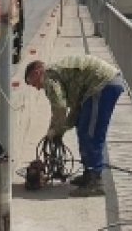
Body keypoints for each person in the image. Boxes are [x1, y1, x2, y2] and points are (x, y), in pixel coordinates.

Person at [24, 55, 124, 197]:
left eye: (32, 83)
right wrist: (60, 130)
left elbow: (59, 107)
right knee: (83, 128)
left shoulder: (49, 78)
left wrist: (54, 131)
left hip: (102, 85)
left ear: (37, 72)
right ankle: (89, 174)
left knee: (92, 133)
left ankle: (95, 182)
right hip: (100, 86)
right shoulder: (59, 75)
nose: (36, 88)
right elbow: (74, 112)